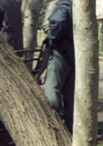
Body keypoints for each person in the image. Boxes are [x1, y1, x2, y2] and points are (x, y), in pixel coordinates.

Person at [42, 0, 73, 131]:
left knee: (52, 90)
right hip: (73, 54)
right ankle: (71, 128)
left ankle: (53, 126)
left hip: (61, 51)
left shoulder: (62, 6)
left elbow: (58, 21)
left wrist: (52, 39)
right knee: (70, 95)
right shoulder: (75, 6)